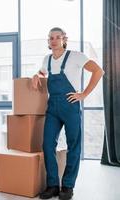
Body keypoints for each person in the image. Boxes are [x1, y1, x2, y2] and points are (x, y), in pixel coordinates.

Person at [32, 27, 104, 200]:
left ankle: (68, 186)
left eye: (58, 37)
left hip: (70, 106)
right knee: (48, 145)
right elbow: (43, 72)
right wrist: (36, 74)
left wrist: (83, 94)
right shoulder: (47, 59)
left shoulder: (76, 56)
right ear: (48, 41)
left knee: (74, 146)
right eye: (51, 38)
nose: (54, 40)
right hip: (52, 109)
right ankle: (53, 186)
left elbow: (98, 71)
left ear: (64, 39)